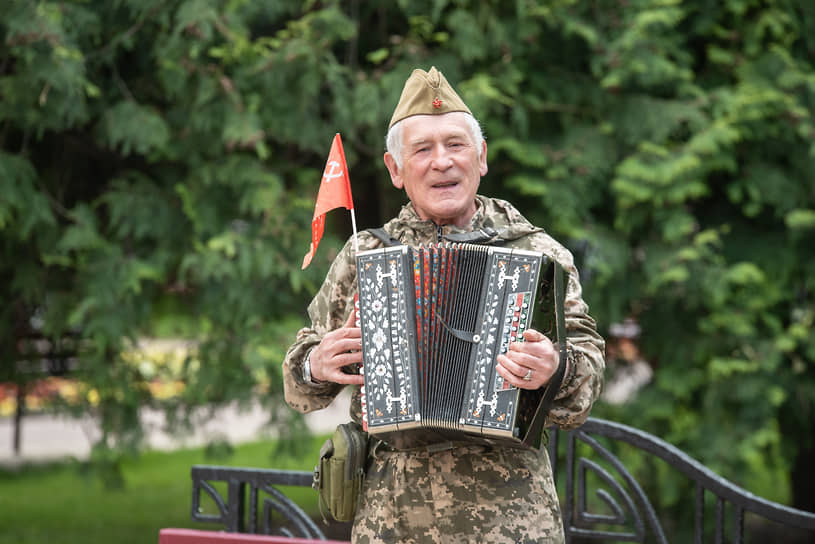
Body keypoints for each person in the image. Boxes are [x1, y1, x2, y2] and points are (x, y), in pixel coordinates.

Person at [283, 67, 605, 544]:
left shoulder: (536, 253)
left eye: (455, 145)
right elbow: (299, 385)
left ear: (482, 157)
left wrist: (556, 367)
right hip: (391, 519)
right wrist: (316, 363)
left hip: (511, 519)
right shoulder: (366, 254)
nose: (442, 163)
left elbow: (588, 375)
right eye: (422, 150)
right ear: (395, 170)